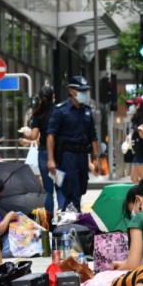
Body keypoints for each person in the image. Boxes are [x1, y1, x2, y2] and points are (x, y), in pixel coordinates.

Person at [47, 76, 100, 210]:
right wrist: (51, 159)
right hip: (67, 156)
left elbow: (93, 137)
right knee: (72, 191)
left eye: (85, 90)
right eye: (80, 90)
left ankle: (69, 217)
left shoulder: (87, 111)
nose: (84, 93)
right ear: (71, 91)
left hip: (82, 156)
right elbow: (51, 136)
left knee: (81, 189)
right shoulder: (61, 111)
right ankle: (73, 221)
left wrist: (96, 159)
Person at [21, 85, 65, 215]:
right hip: (59, 153)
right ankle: (62, 217)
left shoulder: (38, 114)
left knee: (47, 189)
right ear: (54, 97)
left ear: (40, 99)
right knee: (60, 187)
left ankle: (49, 220)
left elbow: (33, 136)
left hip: (44, 153)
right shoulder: (60, 112)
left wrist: (25, 133)